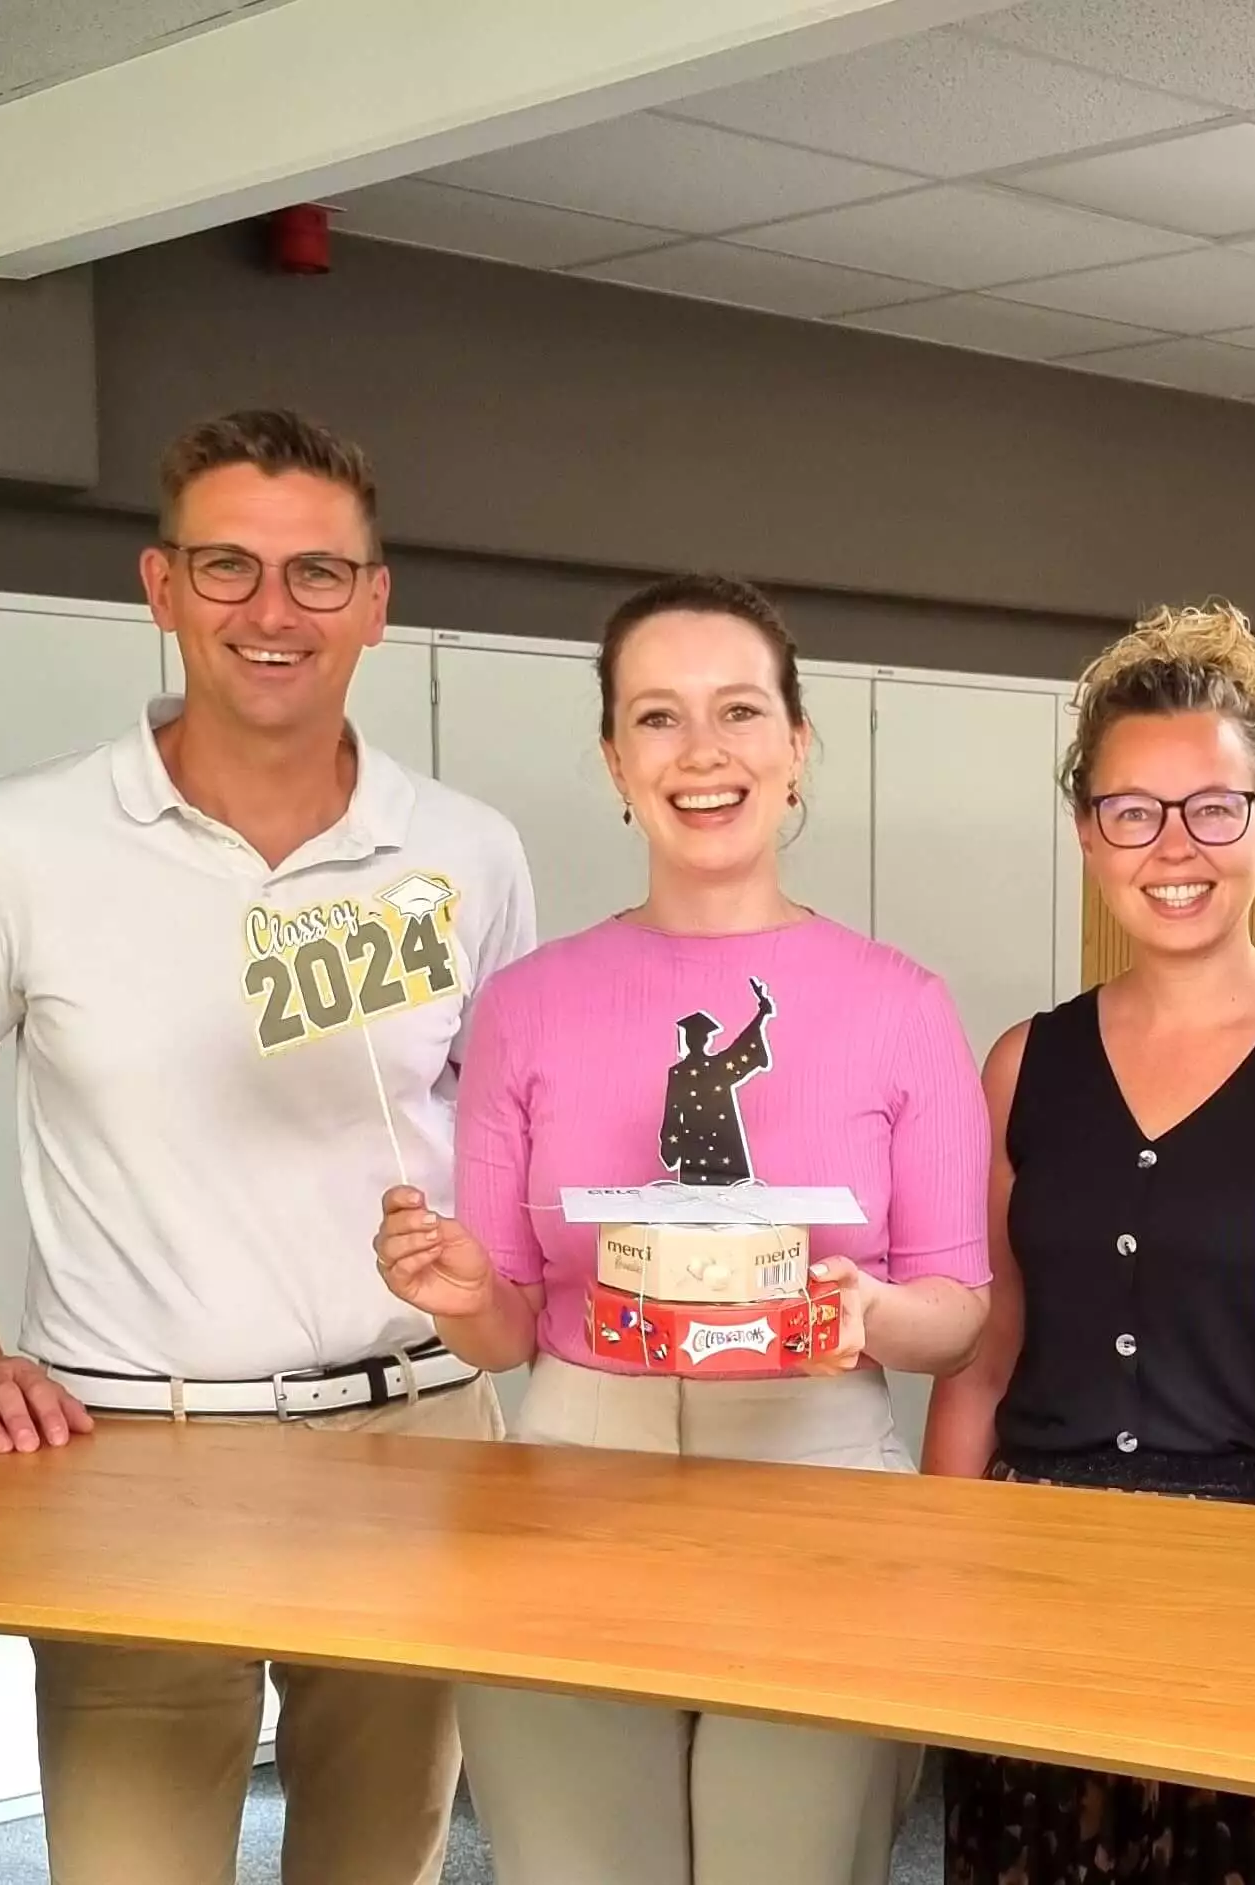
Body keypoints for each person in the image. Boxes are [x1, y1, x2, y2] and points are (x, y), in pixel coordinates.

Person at [0, 409, 534, 1885]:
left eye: (314, 574)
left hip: (411, 1436)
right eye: (227, 568)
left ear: (375, 600)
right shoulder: (21, 837)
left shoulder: (463, 852)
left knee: (381, 1864)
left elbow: (509, 1123)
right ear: (160, 588)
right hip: (127, 1448)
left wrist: (485, 1275)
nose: (270, 611)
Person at [369, 571, 991, 1885]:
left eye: (738, 711)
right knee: (579, 1868)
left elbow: (955, 1306)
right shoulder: (530, 1004)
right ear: (613, 758)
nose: (701, 752)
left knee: (792, 1866)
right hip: (573, 1468)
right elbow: (497, 1326)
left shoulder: (900, 1005)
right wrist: (451, 1282)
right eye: (657, 717)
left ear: (794, 743)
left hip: (816, 1469)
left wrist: (871, 1315)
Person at [922, 602, 1255, 1885]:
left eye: (1213, 806)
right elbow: (982, 1356)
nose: (1173, 846)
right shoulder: (1024, 1064)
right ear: (1087, 830)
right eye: (1132, 811)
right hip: (1044, 1579)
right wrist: (928, 1582)